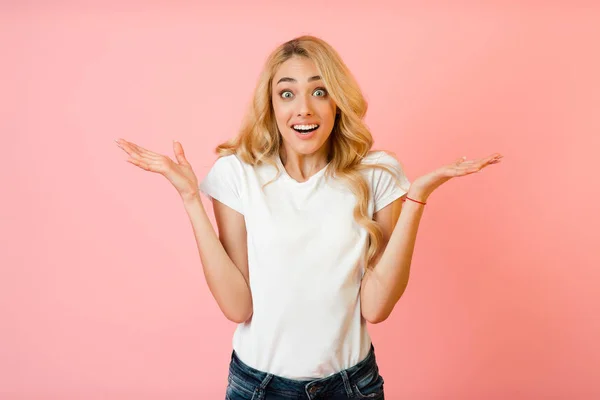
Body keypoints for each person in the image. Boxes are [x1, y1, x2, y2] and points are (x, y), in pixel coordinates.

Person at [115, 35, 503, 400]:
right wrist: (190, 199)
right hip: (258, 386)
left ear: (337, 101)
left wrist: (416, 198)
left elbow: (376, 308)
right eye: (287, 93)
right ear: (272, 104)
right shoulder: (238, 173)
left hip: (352, 385)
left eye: (319, 91)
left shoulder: (378, 174)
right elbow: (238, 307)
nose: (304, 108)